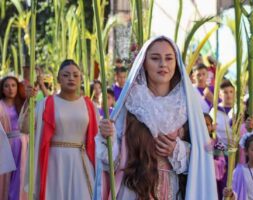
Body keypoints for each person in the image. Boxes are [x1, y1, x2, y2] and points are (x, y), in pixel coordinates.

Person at [94, 36, 217, 199]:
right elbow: (113, 160)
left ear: (176, 63)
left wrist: (177, 150)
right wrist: (107, 137)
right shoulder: (131, 103)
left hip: (174, 190)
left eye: (168, 58)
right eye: (155, 58)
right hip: (135, 188)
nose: (163, 64)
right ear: (143, 63)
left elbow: (204, 158)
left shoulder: (188, 105)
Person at [25, 59, 99, 200]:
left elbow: (98, 137)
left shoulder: (89, 105)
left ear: (81, 78)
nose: (71, 78)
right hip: (55, 161)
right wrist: (28, 102)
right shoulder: (46, 103)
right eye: (66, 75)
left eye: (75, 75)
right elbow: (25, 127)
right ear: (58, 78)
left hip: (81, 161)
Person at [0, 76, 27, 200]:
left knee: (20, 176)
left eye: (13, 85)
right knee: (5, 177)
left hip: (23, 145)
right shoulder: (0, 105)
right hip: (5, 145)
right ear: (2, 88)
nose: (10, 89)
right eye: (7, 86)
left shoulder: (23, 104)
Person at [204, 113, 226, 200]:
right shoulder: (192, 142)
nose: (205, 127)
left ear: (211, 127)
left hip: (212, 181)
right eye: (202, 124)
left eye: (207, 124)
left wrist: (209, 162)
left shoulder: (217, 143)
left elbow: (222, 163)